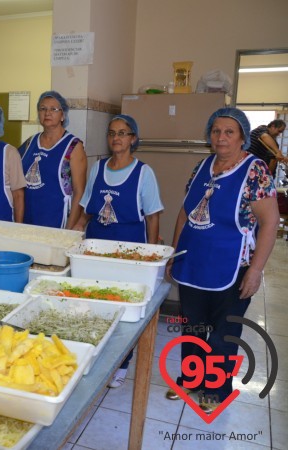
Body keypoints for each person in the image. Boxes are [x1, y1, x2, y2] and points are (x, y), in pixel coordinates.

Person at [166, 107, 279, 413]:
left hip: (234, 267)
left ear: (242, 135)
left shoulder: (254, 170)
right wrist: (175, 254)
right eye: (216, 130)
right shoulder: (203, 165)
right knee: (192, 327)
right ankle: (191, 378)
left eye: (229, 131)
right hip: (194, 263)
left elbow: (270, 221)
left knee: (222, 333)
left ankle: (216, 389)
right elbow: (184, 213)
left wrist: (255, 270)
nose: (221, 137)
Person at [73, 114, 164, 388]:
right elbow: (87, 210)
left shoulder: (143, 173)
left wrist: (150, 257)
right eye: (113, 133)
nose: (117, 138)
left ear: (133, 139)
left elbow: (153, 217)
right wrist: (73, 236)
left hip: (128, 251)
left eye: (123, 133)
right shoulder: (97, 169)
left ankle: (122, 362)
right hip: (96, 248)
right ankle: (95, 354)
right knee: (95, 302)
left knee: (123, 307)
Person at [20, 91, 87, 229]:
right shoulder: (29, 143)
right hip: (28, 220)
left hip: (56, 220)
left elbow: (79, 192)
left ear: (63, 115)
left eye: (53, 109)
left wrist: (69, 230)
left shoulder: (73, 146)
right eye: (43, 109)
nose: (47, 113)